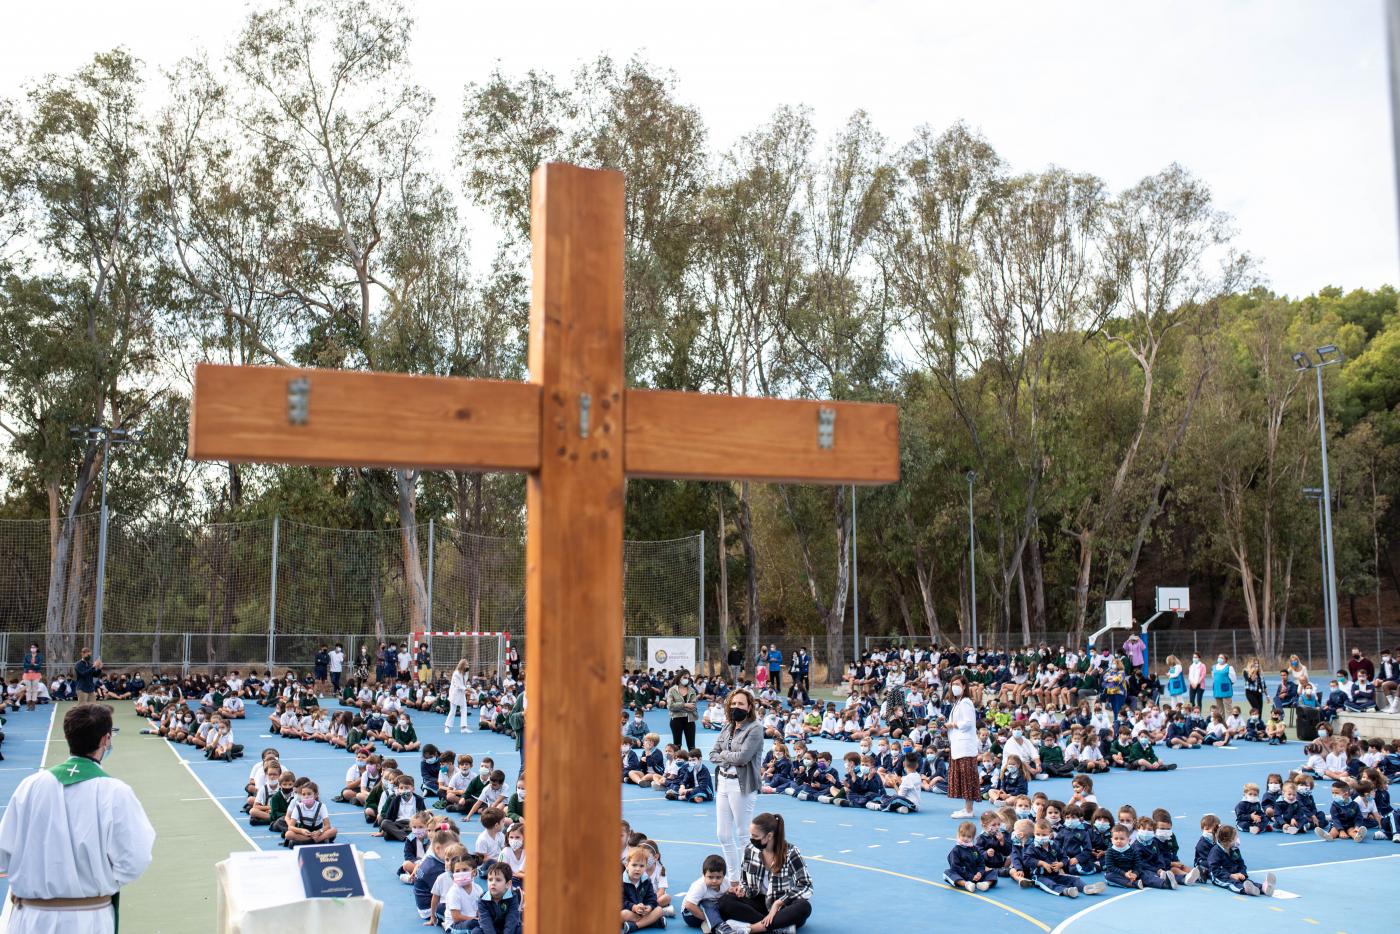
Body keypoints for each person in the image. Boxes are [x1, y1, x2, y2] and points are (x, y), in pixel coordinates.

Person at [0, 703, 156, 933]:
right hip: (87, 918)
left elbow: (4, 852)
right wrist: (99, 880)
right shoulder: (115, 792)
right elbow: (135, 858)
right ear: (105, 739)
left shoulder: (31, 785)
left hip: (30, 918)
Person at [715, 812, 812, 932]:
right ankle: (776, 927)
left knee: (804, 906)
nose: (752, 839)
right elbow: (744, 881)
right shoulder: (750, 850)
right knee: (725, 901)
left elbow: (805, 885)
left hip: (782, 907)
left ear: (769, 836)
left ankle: (752, 929)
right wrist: (741, 890)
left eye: (755, 836)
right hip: (759, 903)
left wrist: (778, 903)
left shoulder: (791, 852)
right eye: (751, 835)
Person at [708, 688, 764, 886]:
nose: (736, 707)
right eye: (733, 704)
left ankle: (748, 878)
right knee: (723, 834)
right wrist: (726, 757)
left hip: (741, 785)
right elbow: (712, 753)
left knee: (742, 834)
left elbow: (743, 758)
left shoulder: (755, 728)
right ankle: (733, 878)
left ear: (749, 707)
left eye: (740, 704)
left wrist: (724, 755)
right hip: (722, 782)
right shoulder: (727, 726)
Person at [945, 673, 980, 819]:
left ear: (964, 686)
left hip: (966, 747)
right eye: (953, 684)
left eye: (958, 684)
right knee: (962, 777)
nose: (955, 687)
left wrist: (953, 724)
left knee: (967, 778)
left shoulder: (966, 702)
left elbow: (968, 723)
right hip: (958, 746)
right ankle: (966, 808)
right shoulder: (957, 702)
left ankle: (969, 810)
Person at [667, 673, 700, 750]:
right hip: (676, 719)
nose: (686, 679)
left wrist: (678, 706)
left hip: (690, 719)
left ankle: (693, 761)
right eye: (685, 677)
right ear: (679, 677)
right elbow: (670, 706)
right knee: (677, 745)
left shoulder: (692, 690)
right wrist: (685, 705)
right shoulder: (672, 690)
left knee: (692, 746)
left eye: (688, 678)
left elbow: (693, 707)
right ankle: (677, 761)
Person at [446, 660, 472, 734]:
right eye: (466, 665)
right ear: (462, 665)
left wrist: (467, 689)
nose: (467, 666)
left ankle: (463, 727)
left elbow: (464, 683)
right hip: (454, 694)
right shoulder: (456, 674)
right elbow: (458, 685)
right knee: (453, 710)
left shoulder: (466, 673)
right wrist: (467, 689)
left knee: (464, 709)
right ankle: (447, 726)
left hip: (461, 693)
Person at [1212, 654, 1238, 719]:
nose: (1219, 658)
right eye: (1219, 657)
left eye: (1221, 657)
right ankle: (1222, 724)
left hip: (1226, 690)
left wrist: (1227, 684)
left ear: (1225, 660)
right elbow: (1214, 677)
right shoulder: (1214, 667)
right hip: (1217, 690)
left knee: (1228, 709)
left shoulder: (1229, 668)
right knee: (1220, 710)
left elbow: (1233, 679)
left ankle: (1230, 724)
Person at [20, 643, 43, 711]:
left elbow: (39, 665)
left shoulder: (40, 656)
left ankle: (33, 704)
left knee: (34, 689)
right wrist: (32, 665)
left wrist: (32, 665)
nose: (32, 648)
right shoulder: (27, 656)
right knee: (28, 689)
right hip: (27, 674)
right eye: (31, 647)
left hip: (36, 674)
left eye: (34, 647)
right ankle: (28, 704)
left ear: (37, 648)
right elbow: (24, 664)